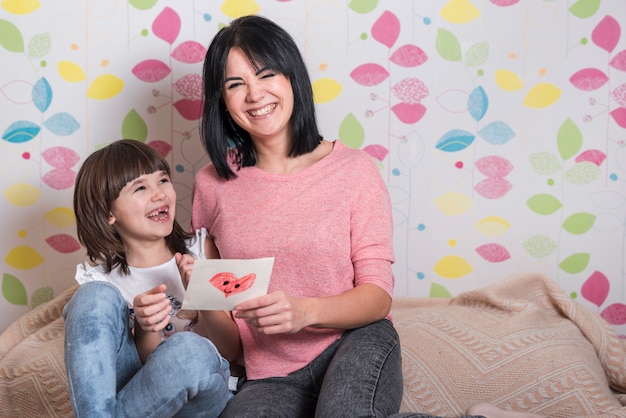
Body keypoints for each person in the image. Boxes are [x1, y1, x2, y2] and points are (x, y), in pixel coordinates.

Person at [193, 14, 547, 418]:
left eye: (266, 75)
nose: (255, 94)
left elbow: (377, 297)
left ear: (292, 78)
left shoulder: (354, 170)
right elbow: (231, 345)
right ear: (222, 99)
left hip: (355, 341)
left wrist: (305, 311)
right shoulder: (212, 185)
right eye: (235, 84)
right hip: (269, 374)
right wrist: (200, 297)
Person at [63, 139, 241, 417]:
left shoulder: (200, 250)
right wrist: (146, 329)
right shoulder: (102, 281)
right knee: (91, 297)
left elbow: (229, 350)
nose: (159, 194)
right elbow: (142, 368)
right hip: (141, 393)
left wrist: (203, 295)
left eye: (163, 181)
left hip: (204, 388)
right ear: (108, 213)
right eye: (140, 188)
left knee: (189, 349)